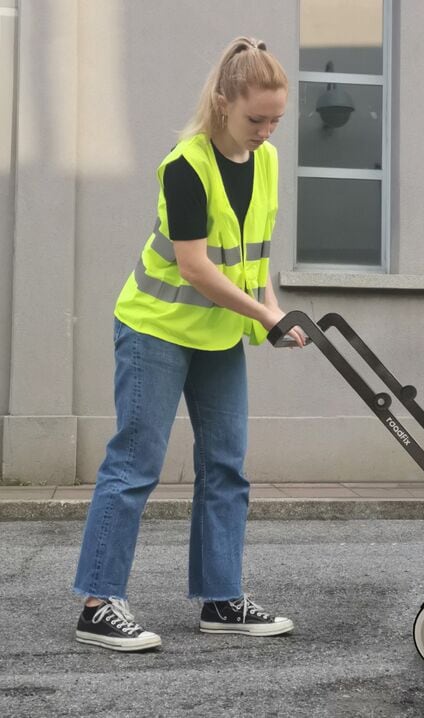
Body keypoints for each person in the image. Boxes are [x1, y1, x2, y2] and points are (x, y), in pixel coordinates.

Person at [73, 36, 306, 652]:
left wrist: (271, 315)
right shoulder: (187, 165)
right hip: (155, 328)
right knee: (134, 464)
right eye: (256, 118)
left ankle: (222, 599)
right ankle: (98, 604)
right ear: (224, 101)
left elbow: (255, 256)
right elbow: (197, 266)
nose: (266, 130)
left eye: (276, 119)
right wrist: (265, 315)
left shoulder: (269, 162)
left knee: (226, 465)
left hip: (218, 336)